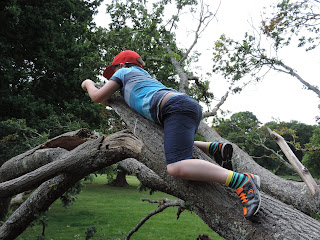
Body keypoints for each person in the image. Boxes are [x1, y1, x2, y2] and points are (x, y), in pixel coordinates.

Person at [81, 50, 261, 218]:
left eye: (111, 74)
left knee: (175, 167)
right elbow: (110, 101)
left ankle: (242, 181)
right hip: (181, 106)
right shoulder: (142, 79)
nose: (110, 78)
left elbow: (98, 97)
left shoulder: (123, 74)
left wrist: (87, 83)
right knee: (171, 143)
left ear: (121, 66)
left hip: (173, 109)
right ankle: (215, 149)